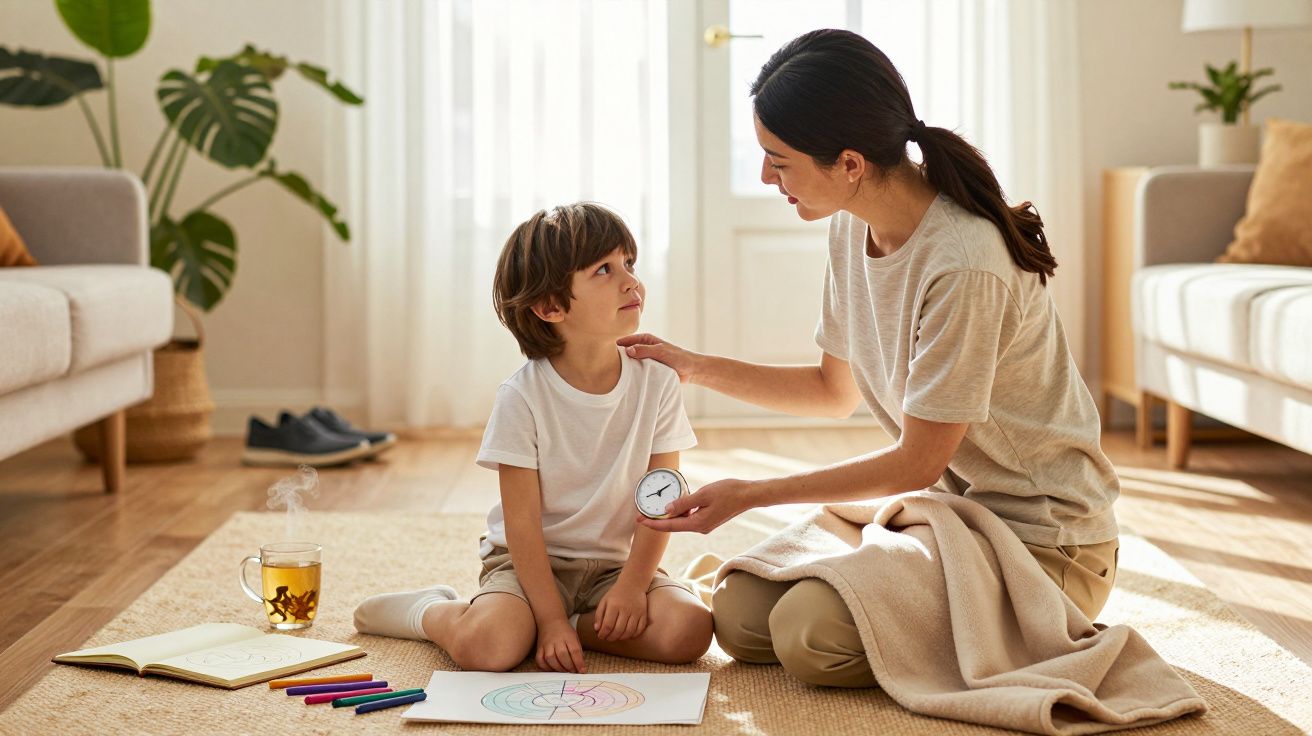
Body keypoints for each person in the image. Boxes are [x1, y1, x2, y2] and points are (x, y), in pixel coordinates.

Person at [621, 29, 1120, 689]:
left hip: (1047, 547)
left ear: (850, 164)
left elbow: (919, 460)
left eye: (779, 159)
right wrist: (692, 365)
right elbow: (833, 391)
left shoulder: (964, 264)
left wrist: (751, 495)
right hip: (950, 521)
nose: (767, 177)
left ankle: (1009, 637)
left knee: (809, 636)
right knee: (741, 616)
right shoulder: (850, 227)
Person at [353, 202, 712, 673]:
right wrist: (546, 619)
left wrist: (630, 587)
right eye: (604, 269)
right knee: (488, 647)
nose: (631, 281)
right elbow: (521, 525)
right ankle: (433, 611)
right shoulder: (522, 397)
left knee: (690, 631)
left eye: (629, 263)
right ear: (551, 306)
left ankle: (577, 625)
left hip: (612, 569)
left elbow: (659, 500)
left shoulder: (658, 381)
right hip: (528, 567)